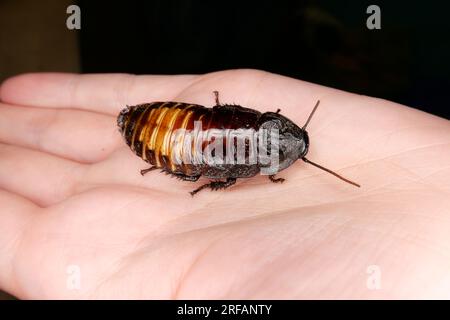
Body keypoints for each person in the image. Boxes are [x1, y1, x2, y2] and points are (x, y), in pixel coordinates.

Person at [0, 69, 449, 299]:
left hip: (182, 132)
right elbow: (224, 178)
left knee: (202, 168)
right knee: (204, 169)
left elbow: (225, 168)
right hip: (173, 132)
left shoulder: (252, 138)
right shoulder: (250, 167)